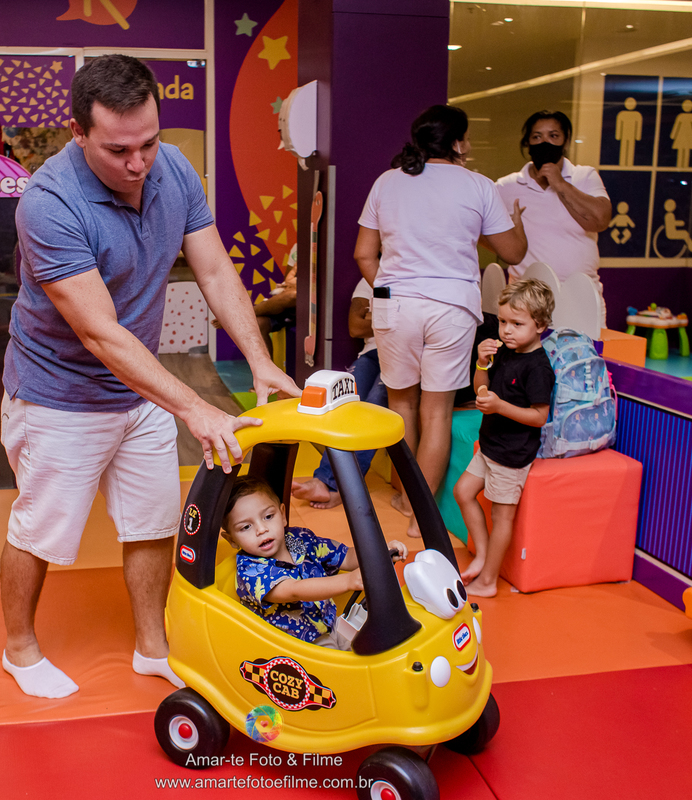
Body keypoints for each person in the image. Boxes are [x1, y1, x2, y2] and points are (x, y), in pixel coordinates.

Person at [0, 55, 299, 699]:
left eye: (149, 142)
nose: (139, 163)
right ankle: (19, 649)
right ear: (78, 133)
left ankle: (152, 648)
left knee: (153, 522)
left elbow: (216, 271)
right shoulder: (48, 205)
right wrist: (195, 406)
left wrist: (258, 358)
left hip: (138, 391)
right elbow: (100, 332)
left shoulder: (174, 170)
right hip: (60, 394)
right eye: (118, 149)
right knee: (41, 530)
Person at [356, 104, 527, 538]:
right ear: (458, 143)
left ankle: (402, 493)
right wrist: (517, 221)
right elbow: (513, 253)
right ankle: (420, 515)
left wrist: (389, 289)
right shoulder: (479, 186)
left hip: (397, 306)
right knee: (437, 414)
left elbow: (364, 254)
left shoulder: (387, 182)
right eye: (466, 138)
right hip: (451, 307)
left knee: (402, 407)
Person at [453, 279, 556, 598]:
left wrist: (499, 406)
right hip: (490, 444)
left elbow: (539, 416)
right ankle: (482, 555)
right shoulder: (505, 352)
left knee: (502, 517)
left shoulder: (538, 367)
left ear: (540, 326)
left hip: (512, 454)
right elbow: (481, 388)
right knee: (463, 491)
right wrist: (482, 364)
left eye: (517, 323)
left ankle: (488, 581)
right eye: (502, 322)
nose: (507, 330)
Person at [223, 476, 407, 647]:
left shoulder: (302, 539)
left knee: (379, 643)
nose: (261, 529)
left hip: (332, 623)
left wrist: (379, 553)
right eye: (246, 527)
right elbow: (294, 590)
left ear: (283, 514)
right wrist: (349, 581)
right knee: (344, 673)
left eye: (268, 517)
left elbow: (345, 556)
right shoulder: (250, 571)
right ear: (232, 540)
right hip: (297, 646)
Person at [494, 110, 612, 316]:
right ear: (527, 143)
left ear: (565, 142)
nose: (545, 142)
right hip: (526, 299)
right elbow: (482, 232)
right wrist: (509, 244)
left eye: (553, 136)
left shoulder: (585, 176)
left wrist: (560, 184)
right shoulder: (506, 186)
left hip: (580, 296)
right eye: (537, 137)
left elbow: (600, 221)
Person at [290, 277, 386, 509]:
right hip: (372, 354)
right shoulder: (367, 280)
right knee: (344, 403)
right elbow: (356, 327)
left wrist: (374, 318)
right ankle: (327, 480)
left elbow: (410, 324)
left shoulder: (414, 276)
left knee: (373, 404)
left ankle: (336, 485)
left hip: (402, 354)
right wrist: (391, 319)